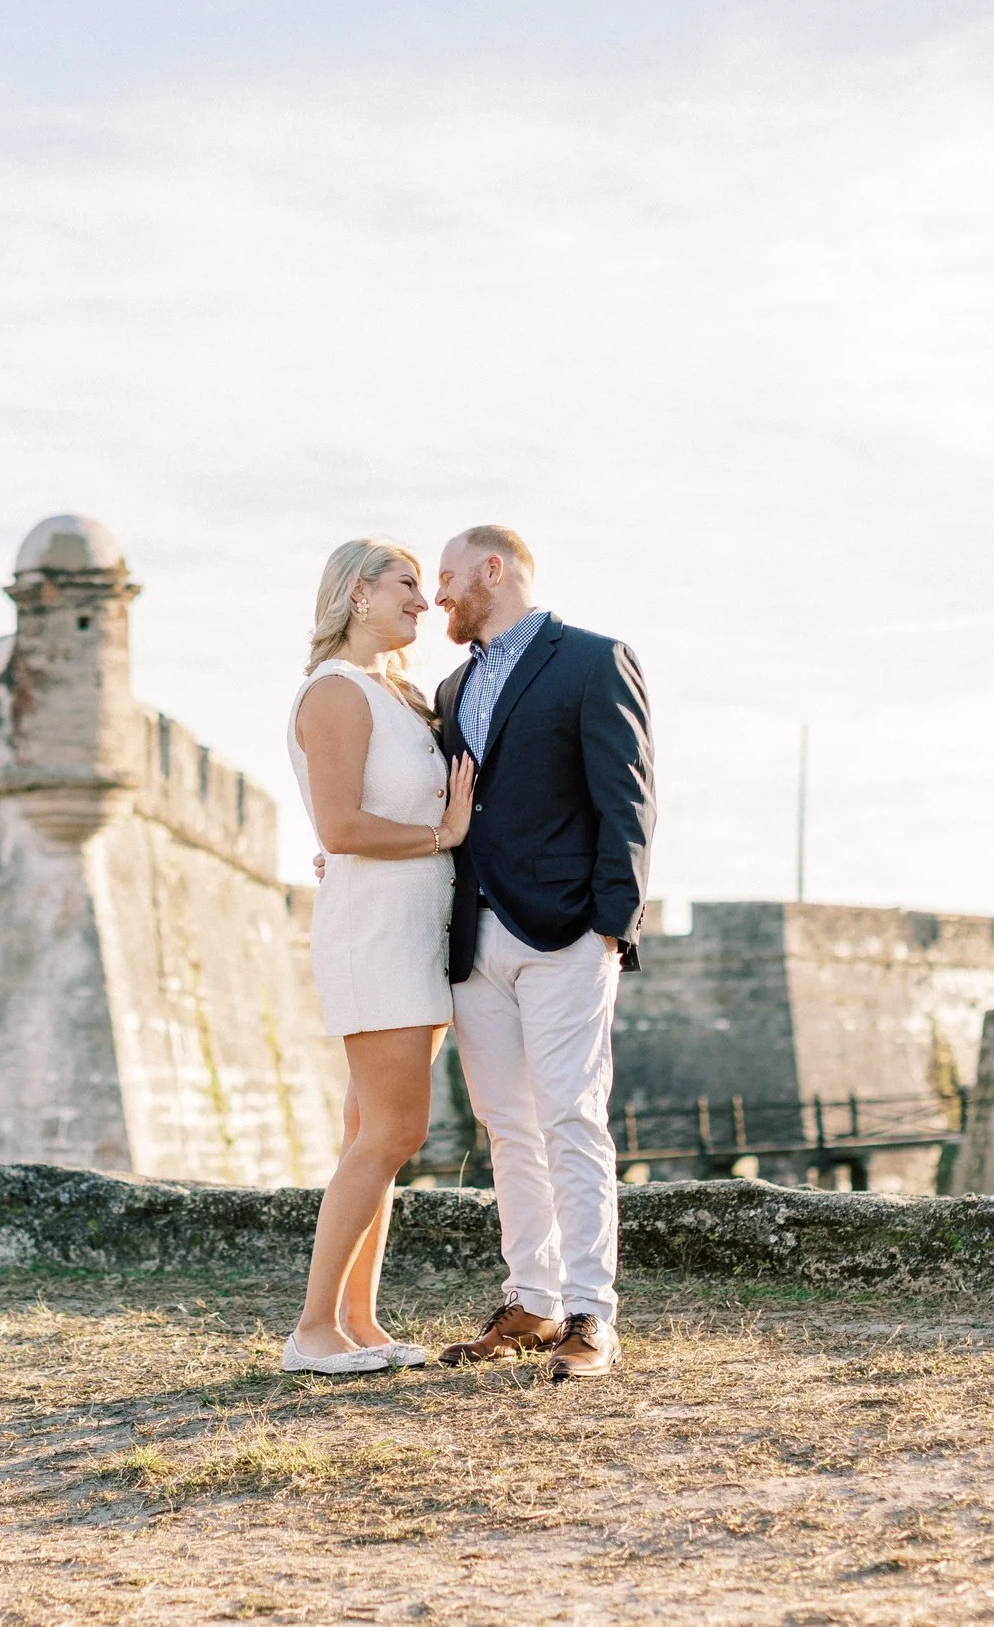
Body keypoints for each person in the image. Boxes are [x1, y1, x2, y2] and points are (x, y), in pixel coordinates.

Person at [429, 526, 654, 1381]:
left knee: (570, 1116)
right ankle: (532, 1299)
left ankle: (592, 1313)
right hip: (472, 934)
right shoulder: (450, 688)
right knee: (507, 1125)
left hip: (567, 933)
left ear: (494, 570)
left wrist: (612, 926)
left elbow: (629, 799)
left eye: (447, 576)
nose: (437, 595)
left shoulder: (593, 660)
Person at [281, 538, 476, 1374]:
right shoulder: (335, 690)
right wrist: (442, 835)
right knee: (394, 1130)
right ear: (357, 593)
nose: (423, 602)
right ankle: (313, 1329)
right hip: (375, 936)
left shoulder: (398, 696)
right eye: (406, 584)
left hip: (414, 931)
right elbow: (340, 827)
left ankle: (357, 1320)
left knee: (375, 1134)